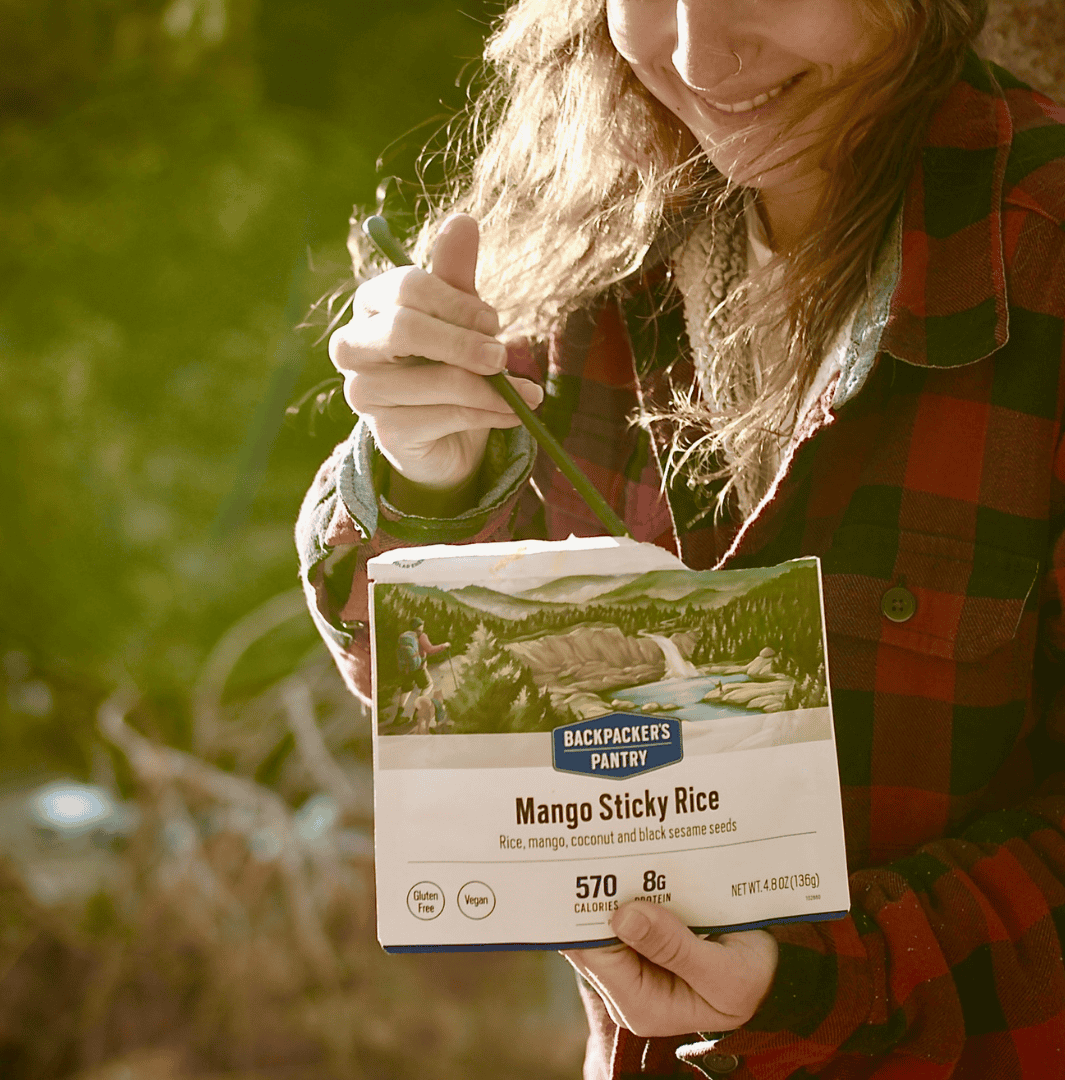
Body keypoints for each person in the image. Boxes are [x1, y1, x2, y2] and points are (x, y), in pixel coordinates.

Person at [296, 0, 1065, 1076]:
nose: (701, 55)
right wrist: (426, 474)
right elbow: (428, 691)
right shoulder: (581, 225)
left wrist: (816, 978)